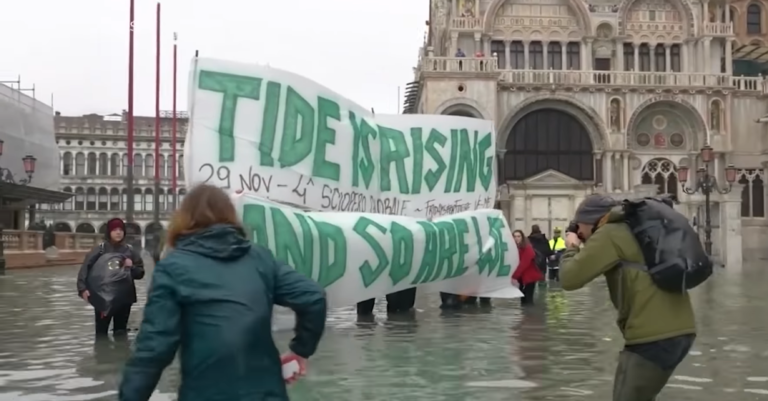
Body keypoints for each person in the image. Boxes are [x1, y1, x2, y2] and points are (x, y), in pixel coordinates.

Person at [119, 184, 327, 401]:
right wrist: (300, 350)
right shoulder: (260, 258)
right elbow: (313, 297)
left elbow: (154, 350)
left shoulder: (173, 267)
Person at [560, 194, 696, 401]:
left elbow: (569, 279)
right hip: (677, 329)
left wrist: (571, 247)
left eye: (579, 226)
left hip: (653, 335)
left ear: (592, 220)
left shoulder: (609, 233)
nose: (579, 232)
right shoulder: (631, 228)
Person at [76, 218, 145, 336]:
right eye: (115, 230)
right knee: (101, 333)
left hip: (124, 298)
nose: (118, 232)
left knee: (120, 332)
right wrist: (82, 289)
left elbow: (140, 273)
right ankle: (101, 353)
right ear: (109, 232)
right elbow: (85, 269)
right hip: (103, 298)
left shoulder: (130, 251)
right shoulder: (100, 249)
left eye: (120, 230)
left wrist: (131, 267)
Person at [511, 229, 544, 305]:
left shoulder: (527, 248)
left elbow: (524, 264)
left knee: (528, 300)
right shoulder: (515, 248)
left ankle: (530, 315)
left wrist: (514, 276)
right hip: (521, 278)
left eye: (518, 236)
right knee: (523, 300)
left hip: (529, 278)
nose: (516, 238)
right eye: (514, 236)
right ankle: (526, 315)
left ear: (522, 237)